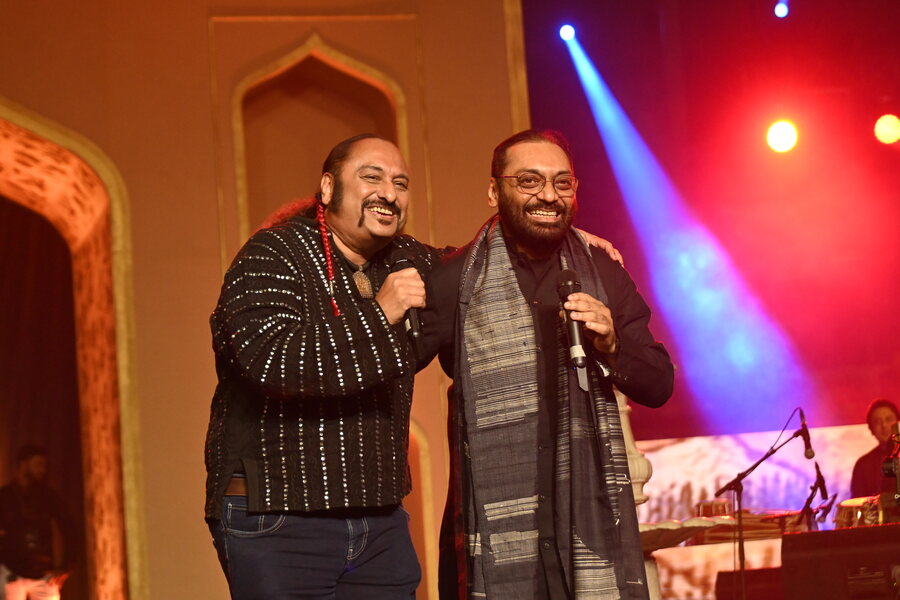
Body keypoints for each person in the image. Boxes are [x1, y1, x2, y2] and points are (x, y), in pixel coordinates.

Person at [419, 129, 674, 600]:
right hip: (494, 539)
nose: (548, 196)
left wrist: (613, 345)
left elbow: (659, 383)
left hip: (588, 526)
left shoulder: (602, 270)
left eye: (562, 183)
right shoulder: (455, 280)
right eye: (529, 181)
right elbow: (392, 366)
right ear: (495, 191)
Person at [0, 445, 75, 600]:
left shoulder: (48, 496)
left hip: (43, 572)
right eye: (37, 464)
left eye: (44, 465)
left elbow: (68, 527)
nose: (42, 470)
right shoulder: (5, 496)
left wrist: (67, 565)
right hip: (11, 570)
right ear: (23, 464)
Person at [850, 399, 899, 498]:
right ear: (871, 429)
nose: (884, 425)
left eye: (889, 419)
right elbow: (858, 500)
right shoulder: (863, 464)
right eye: (877, 422)